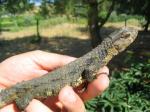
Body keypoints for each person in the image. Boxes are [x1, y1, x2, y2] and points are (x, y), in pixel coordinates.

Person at [0, 50, 109, 112]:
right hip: (27, 89)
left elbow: (88, 73)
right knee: (23, 101)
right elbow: (88, 73)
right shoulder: (98, 59)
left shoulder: (98, 58)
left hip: (28, 88)